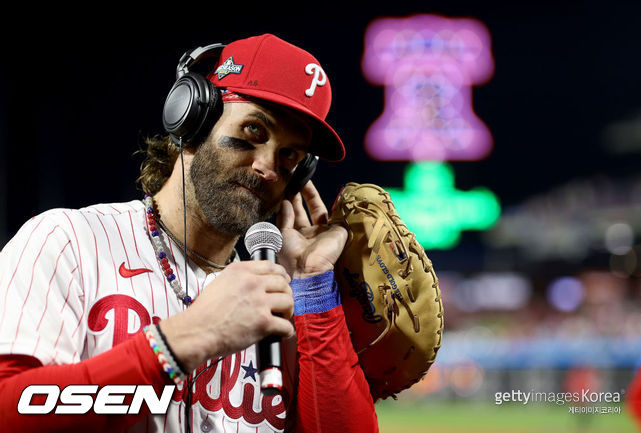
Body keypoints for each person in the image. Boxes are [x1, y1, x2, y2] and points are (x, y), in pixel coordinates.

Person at [0, 34, 379, 433]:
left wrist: (312, 283)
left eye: (290, 156)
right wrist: (181, 341)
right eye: (253, 131)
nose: (268, 166)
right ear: (193, 118)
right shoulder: (71, 241)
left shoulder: (282, 301)